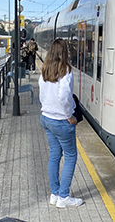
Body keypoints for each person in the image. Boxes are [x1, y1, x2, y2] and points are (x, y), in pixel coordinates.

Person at [39, 39, 84, 209]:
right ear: (64, 52)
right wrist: (69, 116)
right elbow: (65, 96)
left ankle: (55, 194)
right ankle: (64, 197)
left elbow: (42, 96)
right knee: (71, 156)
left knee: (55, 155)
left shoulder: (45, 69)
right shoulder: (65, 70)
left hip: (46, 118)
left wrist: (47, 110)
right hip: (61, 121)